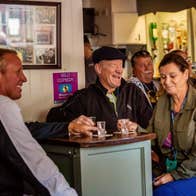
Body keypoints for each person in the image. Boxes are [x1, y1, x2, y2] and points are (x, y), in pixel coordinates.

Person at [0, 48, 77, 195]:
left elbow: (24, 129)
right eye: (18, 72)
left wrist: (68, 127)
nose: (24, 78)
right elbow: (33, 161)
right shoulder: (3, 106)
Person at [130, 53, 196, 195]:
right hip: (165, 167)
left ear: (185, 74)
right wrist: (135, 129)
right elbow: (151, 137)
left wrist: (174, 175)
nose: (166, 82)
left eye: (173, 76)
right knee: (132, 184)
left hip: (191, 171)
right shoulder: (162, 102)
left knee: (163, 193)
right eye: (163, 77)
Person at [48, 46, 152, 136]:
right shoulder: (84, 97)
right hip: (100, 155)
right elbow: (52, 117)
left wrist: (136, 127)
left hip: (133, 152)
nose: (119, 70)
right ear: (98, 69)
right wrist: (73, 123)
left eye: (121, 65)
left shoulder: (133, 91)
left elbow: (150, 124)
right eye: (113, 65)